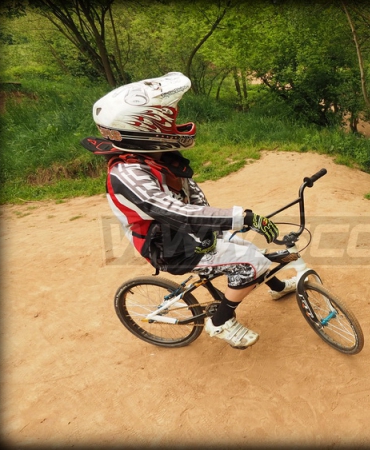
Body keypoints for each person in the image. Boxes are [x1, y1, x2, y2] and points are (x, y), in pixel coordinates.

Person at [83, 72, 295, 350]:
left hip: (187, 234)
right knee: (250, 263)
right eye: (169, 121)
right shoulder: (127, 174)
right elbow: (177, 212)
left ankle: (277, 288)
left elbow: (194, 197)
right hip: (170, 247)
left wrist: (219, 226)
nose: (176, 125)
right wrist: (241, 217)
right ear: (147, 129)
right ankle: (220, 322)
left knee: (247, 248)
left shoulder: (157, 157)